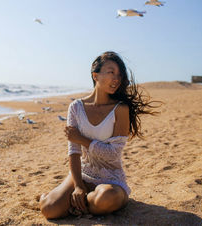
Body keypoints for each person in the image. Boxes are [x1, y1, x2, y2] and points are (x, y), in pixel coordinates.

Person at [40, 51, 159, 218]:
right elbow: (74, 152)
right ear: (95, 75)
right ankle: (63, 197)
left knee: (105, 198)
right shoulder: (76, 107)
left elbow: (112, 154)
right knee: (49, 209)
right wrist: (79, 186)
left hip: (111, 179)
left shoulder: (120, 109)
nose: (116, 79)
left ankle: (78, 204)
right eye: (111, 72)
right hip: (83, 173)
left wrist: (81, 139)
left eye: (119, 74)